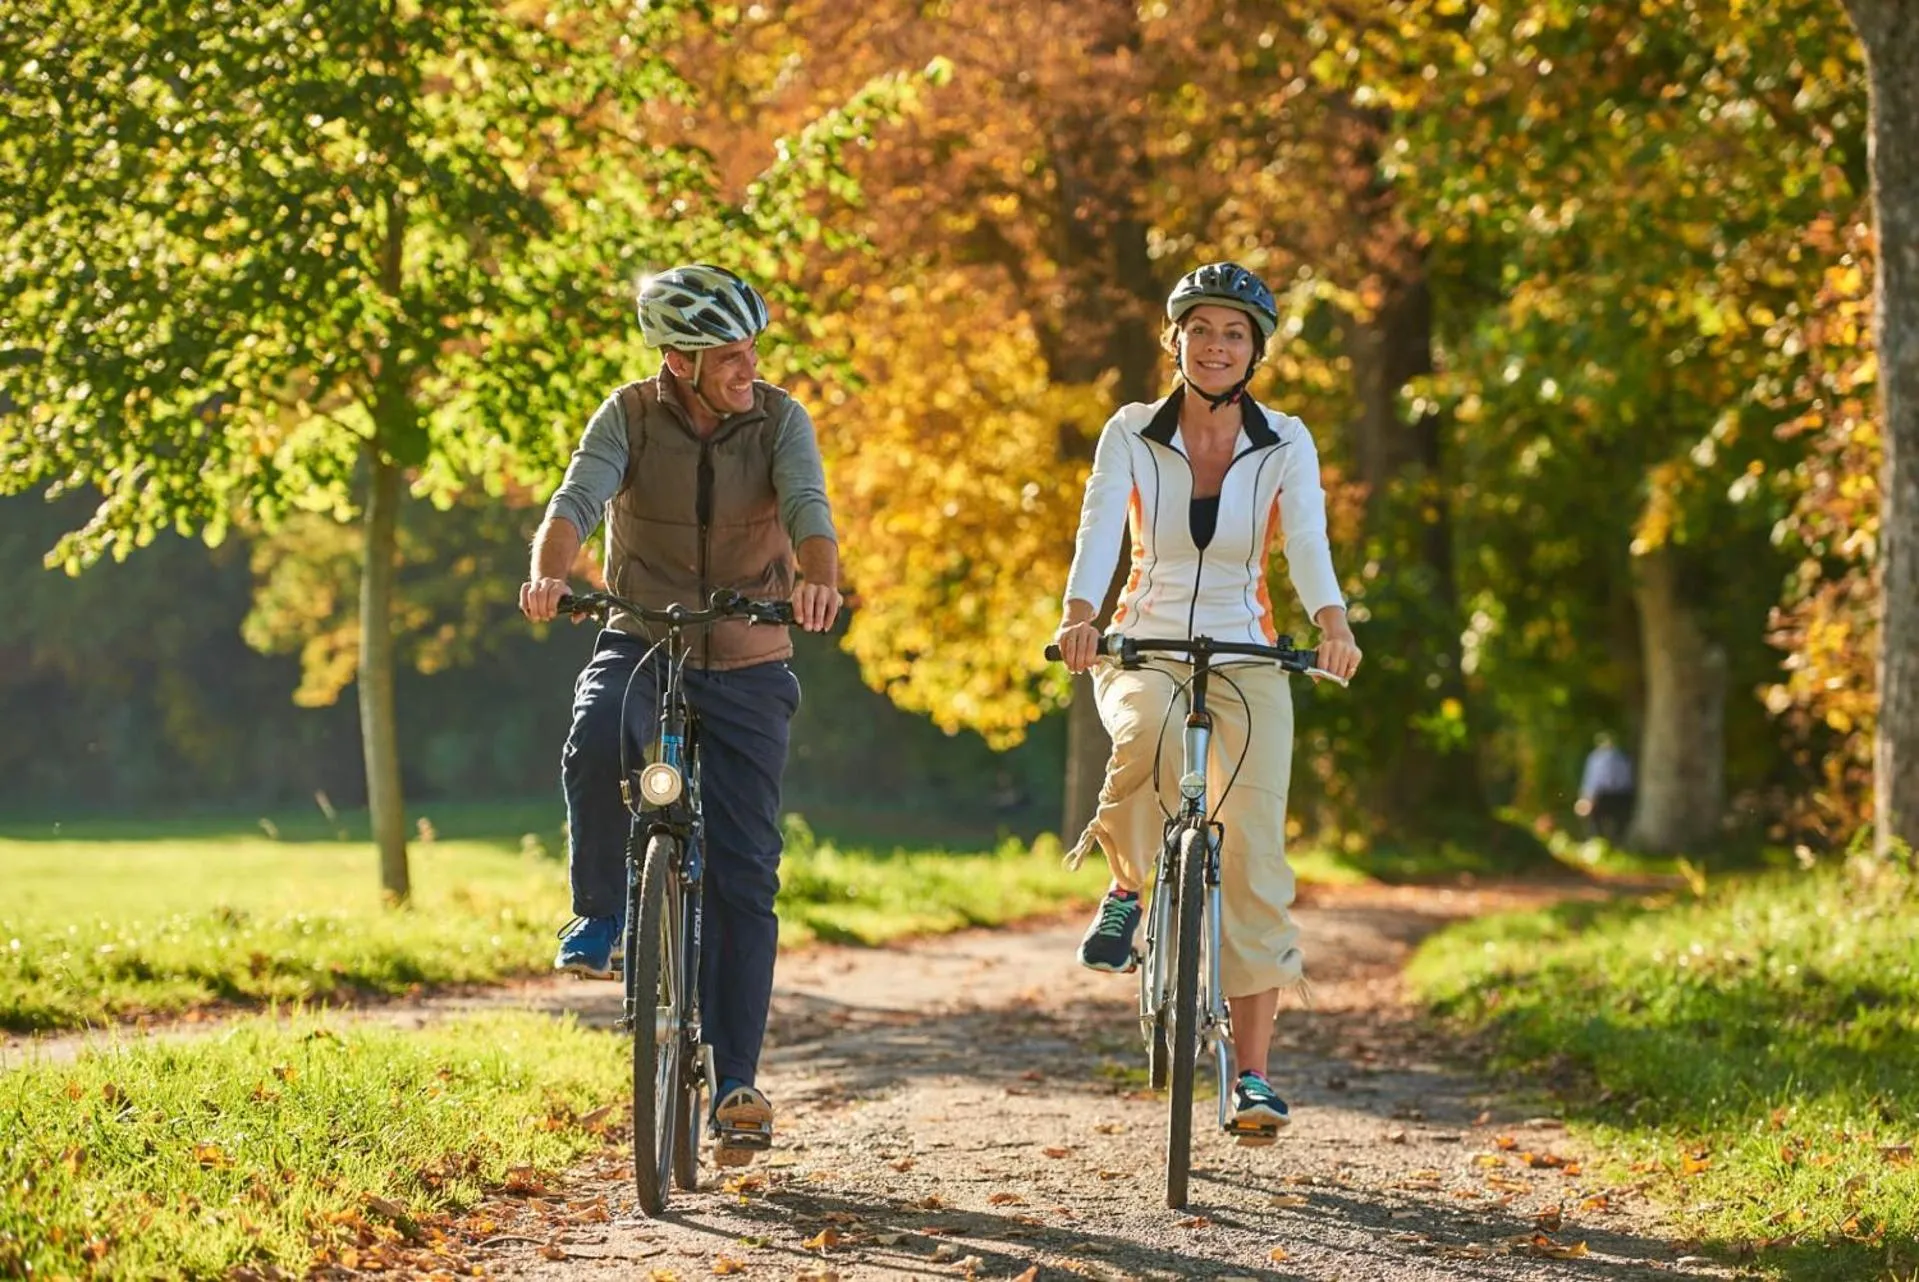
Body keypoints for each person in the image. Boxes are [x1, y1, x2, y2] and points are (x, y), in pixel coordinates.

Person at [519, 263, 842, 1166]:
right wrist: (549, 574)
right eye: (729, 355)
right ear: (678, 361)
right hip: (642, 635)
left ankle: (736, 1081)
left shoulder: (779, 419)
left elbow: (807, 505)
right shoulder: (627, 415)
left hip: (747, 657)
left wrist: (818, 582)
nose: (748, 367)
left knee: (744, 873)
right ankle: (598, 916)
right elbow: (577, 499)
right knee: (593, 735)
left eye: (751, 351)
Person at [1053, 261, 1362, 1139]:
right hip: (1142, 640)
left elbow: (1306, 539)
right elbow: (1098, 527)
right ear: (1175, 340)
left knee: (1255, 853)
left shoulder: (1285, 441)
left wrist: (1332, 625)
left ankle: (1252, 1078)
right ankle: (1126, 887)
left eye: (1233, 333)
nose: (1215, 346)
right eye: (1200, 330)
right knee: (1147, 729)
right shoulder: (1130, 430)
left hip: (1247, 650)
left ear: (1254, 350)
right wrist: (1079, 617)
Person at [1576, 733, 1634, 844]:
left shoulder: (1596, 758)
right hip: (1623, 796)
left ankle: (1597, 840)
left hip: (1604, 795)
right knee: (1618, 821)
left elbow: (1593, 781)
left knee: (1593, 818)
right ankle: (1614, 840)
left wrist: (1587, 798)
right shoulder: (1623, 757)